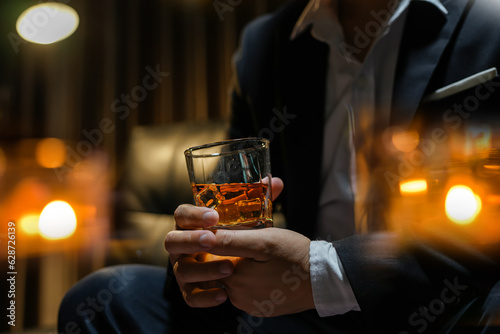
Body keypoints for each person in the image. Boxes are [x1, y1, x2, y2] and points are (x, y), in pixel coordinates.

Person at [58, 0, 500, 333]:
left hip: (449, 302)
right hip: (301, 314)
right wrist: (205, 259)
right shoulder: (263, 45)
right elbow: (228, 212)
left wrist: (327, 271)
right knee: (101, 298)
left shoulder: (488, 18)